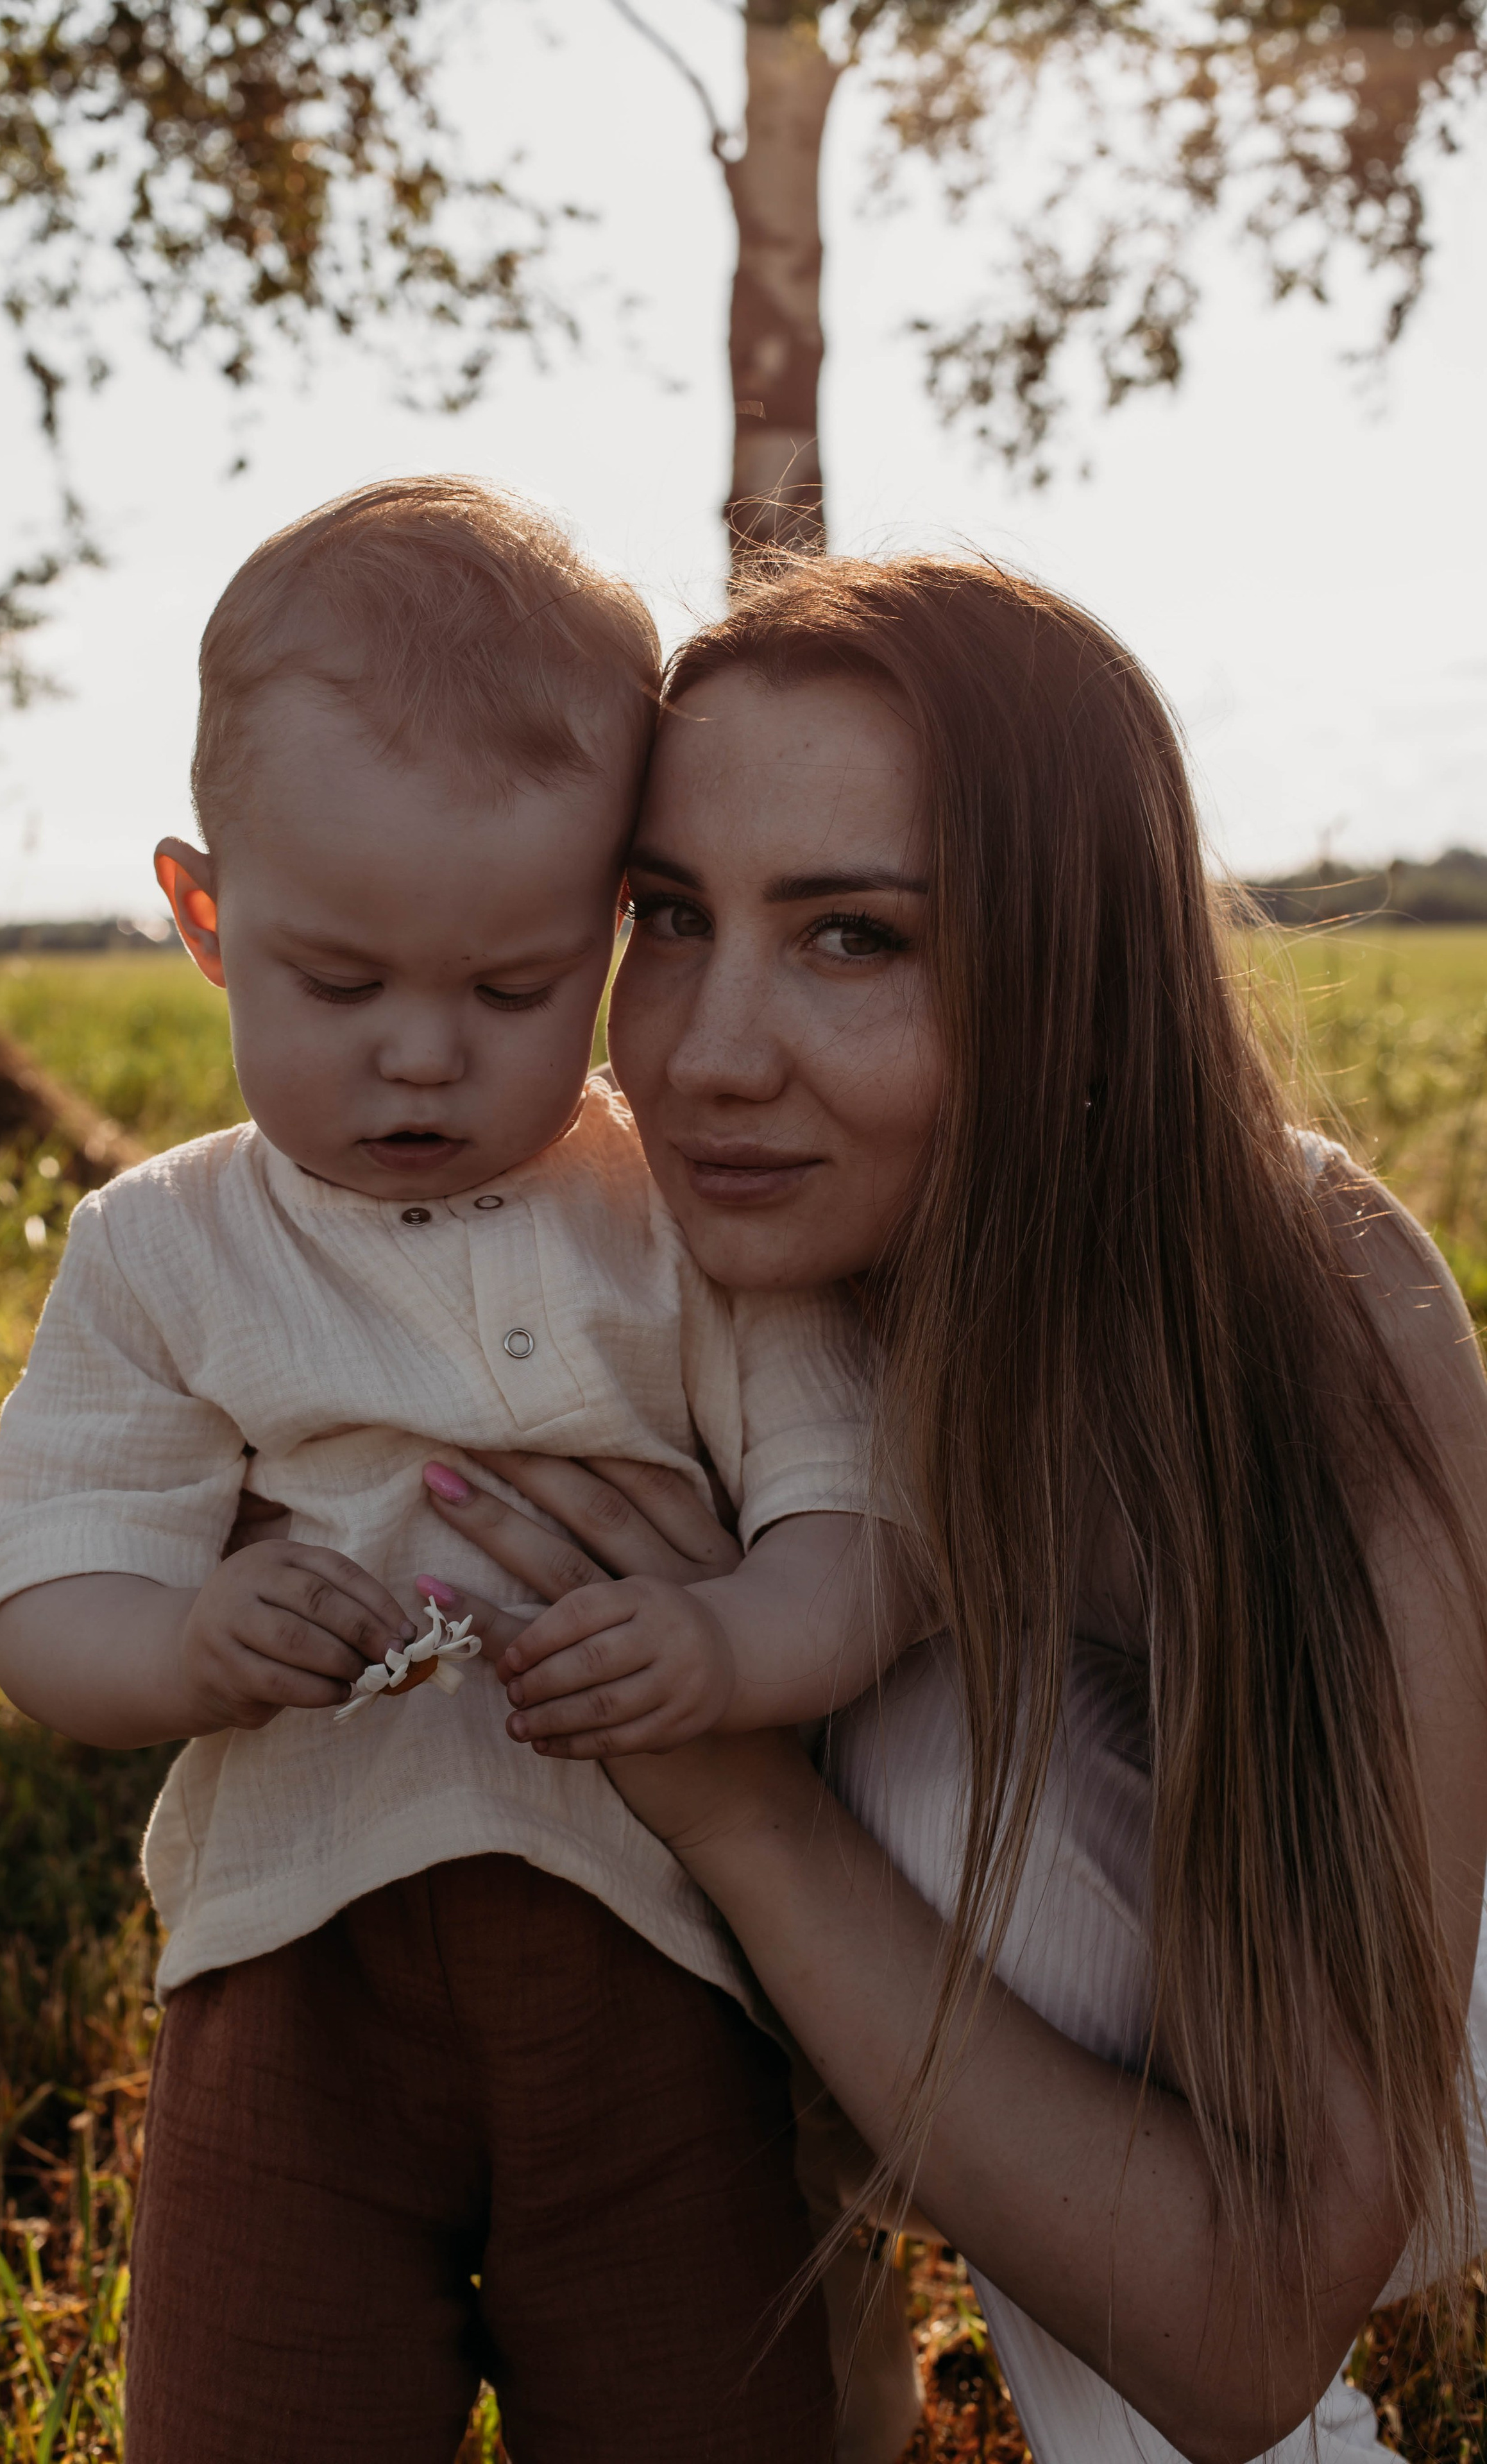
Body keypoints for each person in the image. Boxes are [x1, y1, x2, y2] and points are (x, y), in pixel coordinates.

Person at [421, 552, 1487, 2464]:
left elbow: (1276, 2288)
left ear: (1076, 976)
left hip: (1429, 2013)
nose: (705, 1054)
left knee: (920, 1764)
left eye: (857, 939)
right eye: (670, 915)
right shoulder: (602, 1248)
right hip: (1073, 2035)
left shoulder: (1296, 1311)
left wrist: (734, 1793)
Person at [0, 482, 923, 2463]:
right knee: (255, 2403)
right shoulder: (166, 1250)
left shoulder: (682, 1219)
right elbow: (40, 1590)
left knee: (705, 2404)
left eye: (510, 995)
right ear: (206, 917)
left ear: (606, 935)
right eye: (340, 986)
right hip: (289, 1971)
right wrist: (188, 1640)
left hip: (659, 1971)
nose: (421, 1059)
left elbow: (854, 1525)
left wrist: (732, 1653)